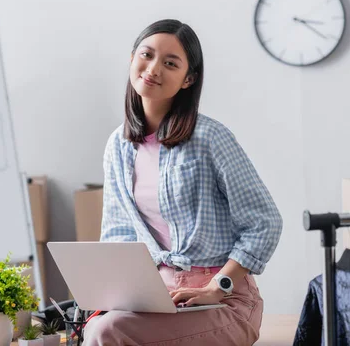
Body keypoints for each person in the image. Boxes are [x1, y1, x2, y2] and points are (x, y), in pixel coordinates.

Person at [84, 19, 283, 345]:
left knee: (108, 333)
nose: (153, 68)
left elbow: (265, 223)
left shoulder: (210, 137)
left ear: (188, 79)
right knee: (94, 328)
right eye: (146, 55)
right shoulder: (118, 145)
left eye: (170, 63)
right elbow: (119, 234)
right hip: (158, 298)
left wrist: (217, 287)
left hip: (224, 301)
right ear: (132, 57)